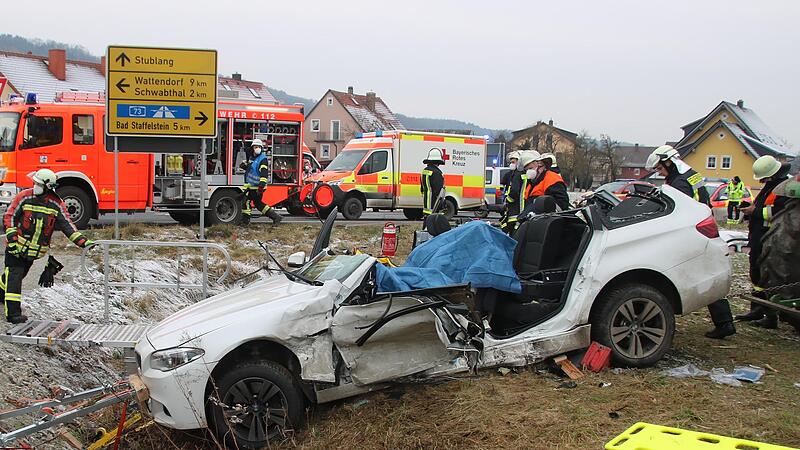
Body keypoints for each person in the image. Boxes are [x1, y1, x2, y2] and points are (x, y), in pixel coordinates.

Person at [645, 145, 735, 339]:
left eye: (660, 168)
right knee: (707, 274)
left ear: (668, 162)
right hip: (700, 229)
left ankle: (722, 323)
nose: (660, 173)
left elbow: (675, 210)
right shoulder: (691, 175)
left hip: (688, 233)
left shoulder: (679, 183)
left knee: (682, 274)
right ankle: (724, 322)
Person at [1, 169, 92, 323]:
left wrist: (83, 242)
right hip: (16, 248)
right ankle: (13, 314)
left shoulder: (56, 204)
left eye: (38, 184)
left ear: (48, 187)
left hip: (32, 253)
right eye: (35, 182)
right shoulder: (24, 197)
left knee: (15, 276)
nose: (35, 186)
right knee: (15, 278)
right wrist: (12, 240)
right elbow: (9, 217)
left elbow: (68, 226)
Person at [734, 155, 790, 328]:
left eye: (764, 177)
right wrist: (751, 208)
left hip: (770, 237)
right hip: (759, 235)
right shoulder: (771, 186)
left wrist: (755, 211)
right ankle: (757, 309)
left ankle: (769, 316)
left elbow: (779, 212)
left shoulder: (783, 188)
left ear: (772, 174)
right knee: (756, 273)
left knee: (765, 276)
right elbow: (763, 205)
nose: (761, 180)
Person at [241, 139, 282, 226]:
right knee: (257, 204)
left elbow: (264, 173)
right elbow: (252, 170)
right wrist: (245, 167)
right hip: (252, 186)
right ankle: (276, 217)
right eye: (256, 147)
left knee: (248, 202)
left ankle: (245, 221)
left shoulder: (262, 159)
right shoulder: (252, 158)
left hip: (257, 186)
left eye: (259, 147)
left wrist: (261, 185)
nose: (257, 149)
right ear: (252, 148)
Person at [504, 151, 539, 235]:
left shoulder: (518, 174)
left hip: (517, 211)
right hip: (524, 212)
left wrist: (508, 200)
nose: (511, 164)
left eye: (513, 162)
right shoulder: (531, 176)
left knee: (515, 233)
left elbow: (514, 191)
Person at [421, 148, 445, 217]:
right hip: (434, 205)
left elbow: (422, 188)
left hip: (426, 205)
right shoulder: (437, 172)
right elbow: (438, 190)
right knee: (435, 221)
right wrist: (442, 203)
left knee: (427, 220)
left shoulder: (424, 171)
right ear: (438, 162)